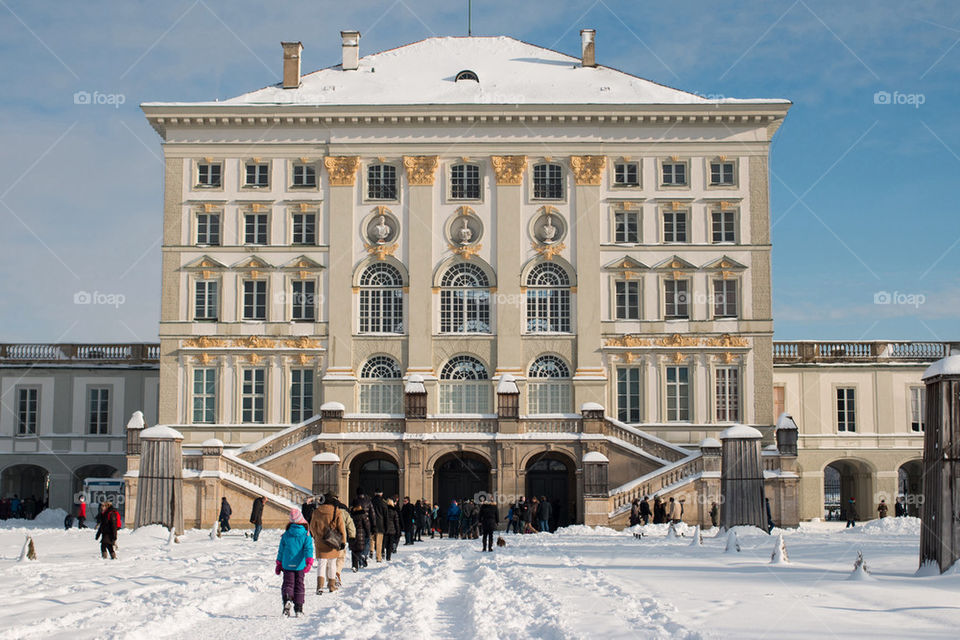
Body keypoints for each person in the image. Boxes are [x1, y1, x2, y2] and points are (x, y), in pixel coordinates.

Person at [275, 508, 314, 617]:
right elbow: (308, 549)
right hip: (300, 565)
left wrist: (279, 563)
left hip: (287, 564)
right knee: (299, 585)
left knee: (288, 584)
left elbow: (281, 550)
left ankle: (287, 599)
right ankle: (298, 609)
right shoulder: (306, 535)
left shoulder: (286, 534)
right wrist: (309, 561)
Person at [308, 495, 346, 594]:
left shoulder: (316, 512)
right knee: (332, 563)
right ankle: (331, 586)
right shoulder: (337, 511)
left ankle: (319, 586)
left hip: (320, 541)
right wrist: (343, 541)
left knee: (321, 563)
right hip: (333, 541)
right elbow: (341, 528)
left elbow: (312, 526)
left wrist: (316, 536)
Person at [332, 494, 354, 587]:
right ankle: (337, 573)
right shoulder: (343, 509)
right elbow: (350, 523)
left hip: (328, 536)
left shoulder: (325, 509)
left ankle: (331, 576)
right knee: (340, 557)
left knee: (330, 558)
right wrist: (352, 535)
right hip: (341, 536)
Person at [349, 499, 371, 572]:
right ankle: (361, 561)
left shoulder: (351, 514)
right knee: (360, 549)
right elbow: (366, 525)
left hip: (352, 533)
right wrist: (368, 533)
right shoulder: (363, 514)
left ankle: (354, 566)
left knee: (354, 550)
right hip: (361, 533)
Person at [370, 490, 388, 562]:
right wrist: (386, 526)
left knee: (372, 539)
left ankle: (371, 550)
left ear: (375, 494)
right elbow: (386, 516)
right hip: (380, 524)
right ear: (381, 494)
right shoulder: (383, 503)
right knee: (379, 542)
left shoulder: (371, 502)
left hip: (371, 523)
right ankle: (378, 557)